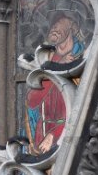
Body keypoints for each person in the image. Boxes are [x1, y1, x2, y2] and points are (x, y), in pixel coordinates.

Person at [24, 9, 86, 153]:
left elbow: (79, 104)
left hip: (71, 136)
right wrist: (57, 65)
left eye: (59, 21)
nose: (54, 27)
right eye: (52, 24)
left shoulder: (82, 57)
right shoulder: (45, 59)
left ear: (72, 25)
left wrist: (54, 134)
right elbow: (32, 101)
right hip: (42, 135)